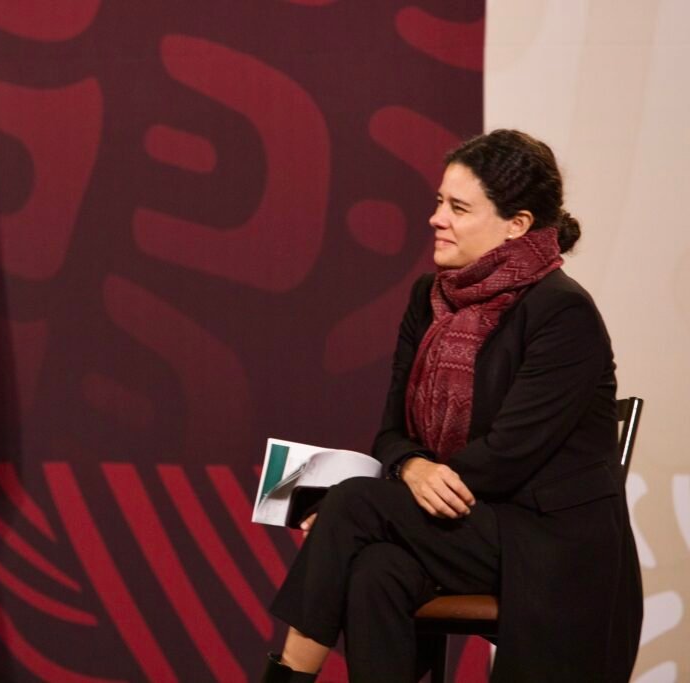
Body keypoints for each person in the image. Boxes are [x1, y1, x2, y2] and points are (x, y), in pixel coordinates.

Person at [261, 130, 643, 682]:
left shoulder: (563, 312)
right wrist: (412, 467)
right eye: (440, 201)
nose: (436, 218)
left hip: (548, 540)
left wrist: (375, 502)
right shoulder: (429, 298)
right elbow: (392, 433)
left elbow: (508, 456)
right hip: (466, 518)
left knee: (351, 507)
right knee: (375, 569)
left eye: (458, 208)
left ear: (516, 224)